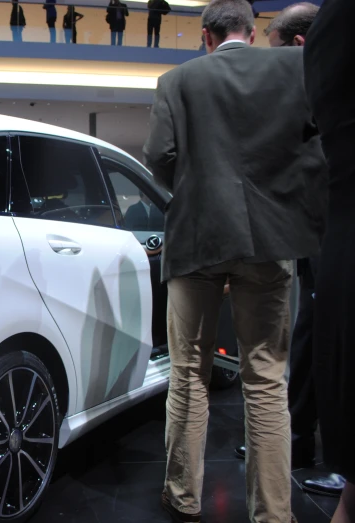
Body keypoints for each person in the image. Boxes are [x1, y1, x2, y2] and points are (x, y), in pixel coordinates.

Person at [143, 0, 327, 521]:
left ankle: (182, 496)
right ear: (251, 31)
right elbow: (317, 142)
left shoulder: (176, 81)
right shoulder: (294, 66)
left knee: (189, 374)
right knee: (267, 379)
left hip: (196, 239)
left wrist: (199, 189)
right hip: (270, 240)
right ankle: (273, 512)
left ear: (206, 36)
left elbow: (159, 156)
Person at [230, 0, 346, 501]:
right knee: (312, 333)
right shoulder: (313, 87)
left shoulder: (329, 88)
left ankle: (339, 463)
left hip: (331, 227)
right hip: (317, 231)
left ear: (300, 47)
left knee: (331, 339)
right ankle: (298, 440)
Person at [304, 0, 355, 520]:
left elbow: (162, 155)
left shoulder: (328, 32)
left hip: (339, 240)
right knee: (267, 372)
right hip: (298, 236)